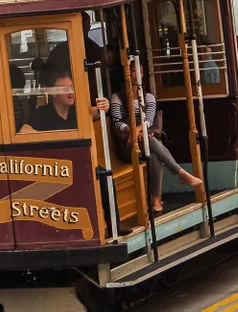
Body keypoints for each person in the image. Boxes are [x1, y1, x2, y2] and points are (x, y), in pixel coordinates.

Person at [108, 66, 201, 215]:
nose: (138, 74)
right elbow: (117, 122)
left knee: (154, 151)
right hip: (128, 144)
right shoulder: (117, 97)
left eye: (141, 71)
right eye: (134, 71)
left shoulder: (148, 97)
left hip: (145, 137)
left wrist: (138, 130)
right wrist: (132, 132)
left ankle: (157, 200)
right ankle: (179, 174)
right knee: (152, 144)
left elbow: (149, 121)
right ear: (126, 74)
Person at [21, 70, 109, 132]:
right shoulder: (42, 113)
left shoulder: (77, 111)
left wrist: (102, 106)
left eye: (71, 88)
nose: (70, 92)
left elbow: (93, 112)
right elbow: (24, 130)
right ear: (54, 93)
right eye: (65, 89)